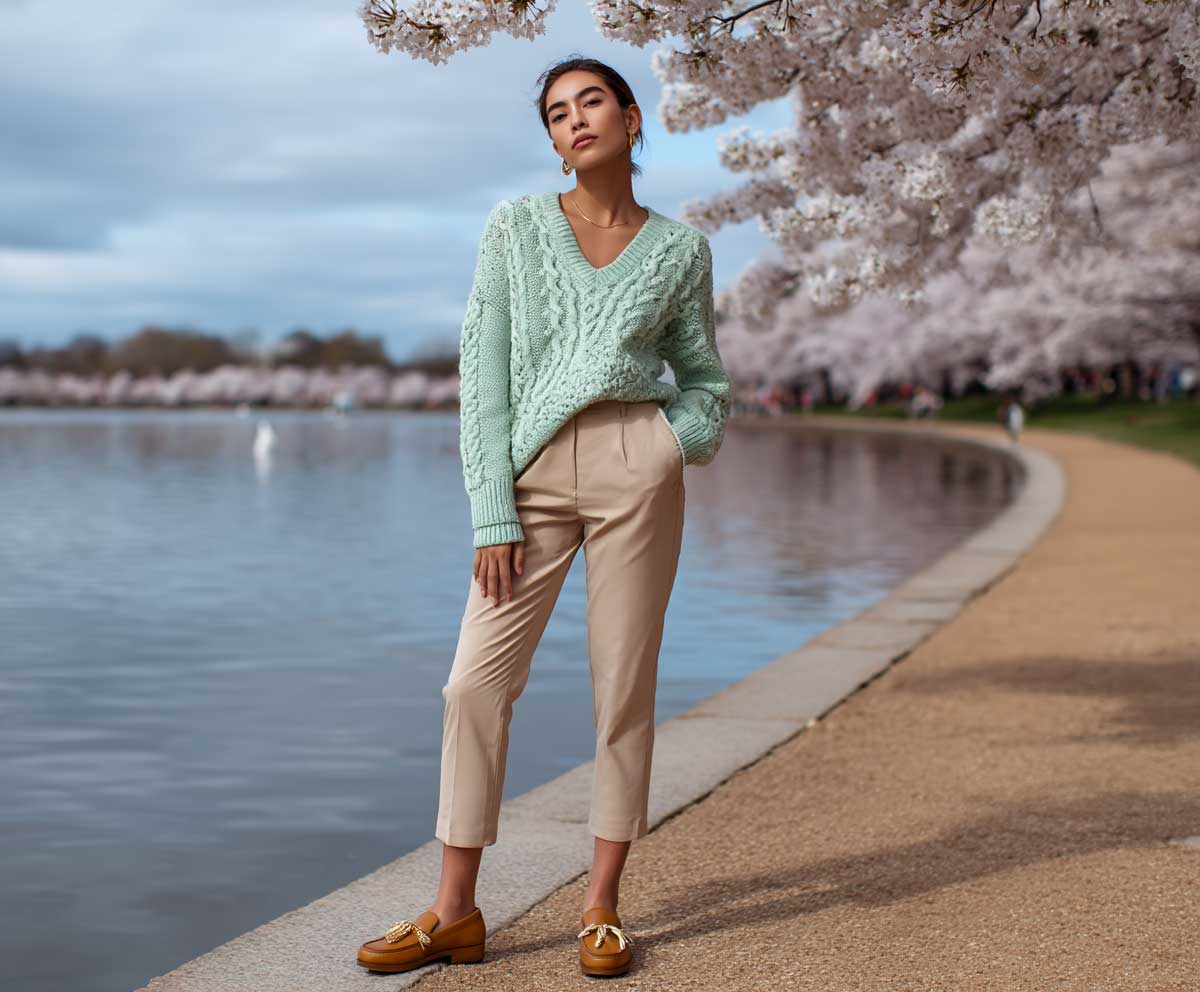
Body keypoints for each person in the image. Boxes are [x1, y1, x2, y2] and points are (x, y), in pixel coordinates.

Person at [356, 56, 732, 979]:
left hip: (637, 465)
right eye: (558, 113)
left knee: (622, 687)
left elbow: (706, 380)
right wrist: (492, 510)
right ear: (554, 140)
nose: (575, 121)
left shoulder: (681, 251)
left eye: (591, 101)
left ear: (632, 118)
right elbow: (482, 372)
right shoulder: (516, 227)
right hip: (529, 475)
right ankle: (454, 912)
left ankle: (601, 907)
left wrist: (670, 443)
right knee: (472, 685)